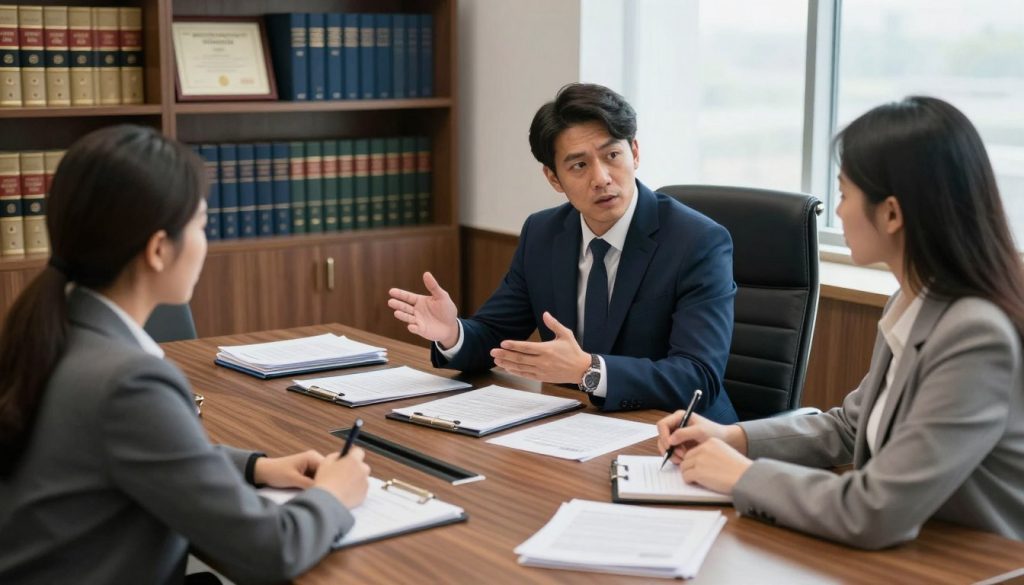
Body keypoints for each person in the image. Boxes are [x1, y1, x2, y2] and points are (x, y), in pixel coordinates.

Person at [0, 125, 371, 584]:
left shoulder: (52, 332)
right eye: (199, 223)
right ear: (158, 249)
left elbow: (135, 451)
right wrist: (335, 495)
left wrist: (256, 467)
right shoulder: (129, 381)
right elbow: (272, 549)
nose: (205, 241)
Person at [657, 96, 1024, 548]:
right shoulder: (910, 302)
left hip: (976, 566)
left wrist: (744, 477)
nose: (838, 210)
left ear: (891, 213)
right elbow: (849, 428)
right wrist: (732, 438)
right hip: (910, 553)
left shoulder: (975, 334)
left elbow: (876, 509)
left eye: (846, 194)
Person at [388, 83, 738, 422]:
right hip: (574, 426)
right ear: (554, 178)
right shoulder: (543, 234)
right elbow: (497, 336)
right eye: (579, 165)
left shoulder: (697, 242)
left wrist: (588, 370)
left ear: (634, 152)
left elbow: (698, 378)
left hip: (680, 436)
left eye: (612, 155)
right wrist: (452, 333)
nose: (601, 178)